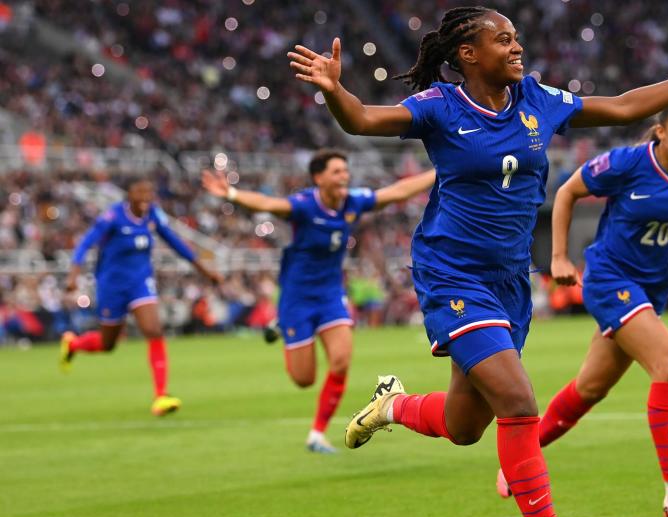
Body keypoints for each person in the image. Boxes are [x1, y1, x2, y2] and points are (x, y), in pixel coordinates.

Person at [288, 7, 668, 517]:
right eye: (503, 40)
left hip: (511, 280)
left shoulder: (537, 100)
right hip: (452, 274)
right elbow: (365, 121)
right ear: (468, 54)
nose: (517, 48)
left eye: (517, 38)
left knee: (466, 427)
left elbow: (622, 107)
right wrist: (333, 91)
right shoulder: (441, 107)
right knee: (519, 403)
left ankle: (391, 404)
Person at [494, 97, 668, 517]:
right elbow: (567, 192)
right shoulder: (626, 164)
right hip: (609, 280)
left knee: (590, 388)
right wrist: (560, 256)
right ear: (660, 131)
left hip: (652, 290)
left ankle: (517, 458)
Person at [201, 151, 435, 453]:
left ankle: (317, 434)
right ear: (319, 178)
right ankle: (283, 324)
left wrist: (438, 171)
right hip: (297, 298)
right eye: (337, 172)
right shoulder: (304, 205)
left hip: (330, 295)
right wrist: (231, 193)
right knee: (304, 379)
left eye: (345, 171)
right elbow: (270, 204)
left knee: (341, 359)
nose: (344, 177)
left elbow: (396, 192)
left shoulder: (352, 201)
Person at [60, 179, 221, 416]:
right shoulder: (113, 217)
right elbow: (85, 244)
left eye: (149, 192)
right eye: (140, 192)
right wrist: (73, 275)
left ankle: (161, 396)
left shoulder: (153, 215)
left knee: (154, 330)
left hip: (140, 283)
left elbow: (176, 243)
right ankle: (73, 343)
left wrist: (205, 270)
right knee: (108, 344)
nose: (145, 197)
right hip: (112, 286)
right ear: (129, 195)